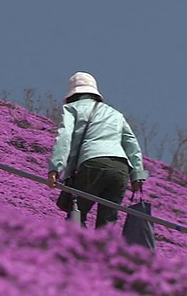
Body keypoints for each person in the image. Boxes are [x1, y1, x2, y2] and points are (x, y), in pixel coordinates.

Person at [47, 71, 148, 228]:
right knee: (108, 222)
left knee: (76, 213)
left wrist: (55, 169)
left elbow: (64, 137)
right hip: (120, 169)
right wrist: (137, 176)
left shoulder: (71, 109)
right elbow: (132, 144)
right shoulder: (116, 114)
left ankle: (76, 249)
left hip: (93, 163)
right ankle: (102, 251)